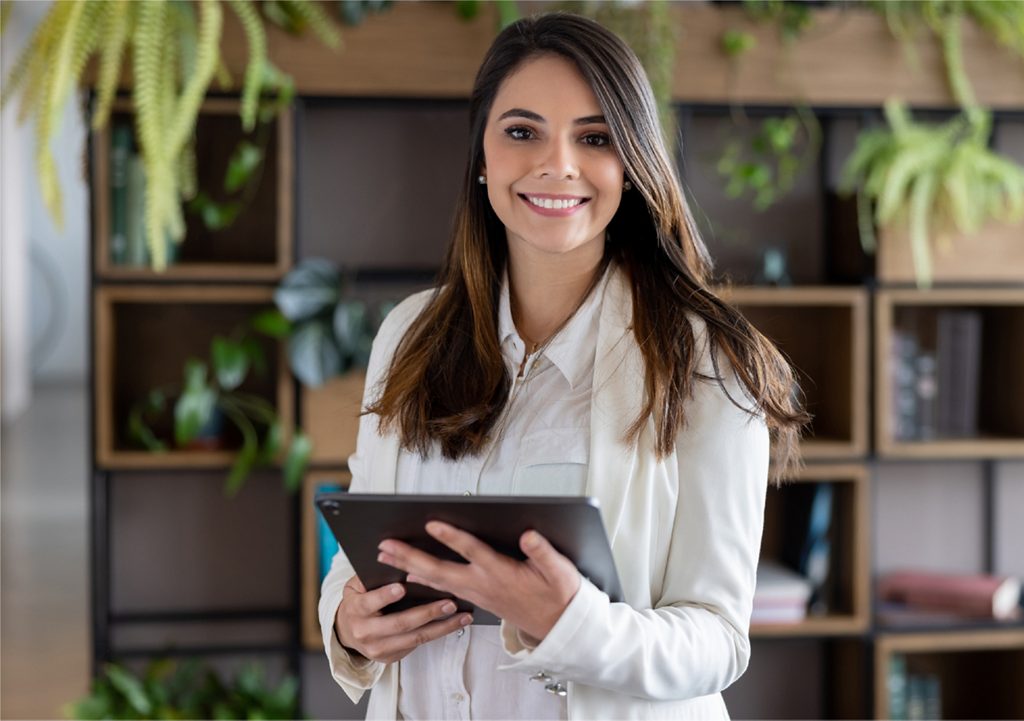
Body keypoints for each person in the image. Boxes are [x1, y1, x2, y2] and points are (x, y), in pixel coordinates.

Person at [318, 11, 808, 720]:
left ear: (632, 163)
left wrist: (573, 622)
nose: (558, 164)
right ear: (482, 154)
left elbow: (720, 638)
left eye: (595, 137)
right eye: (523, 132)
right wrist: (350, 623)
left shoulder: (706, 363)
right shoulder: (408, 335)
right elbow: (359, 556)